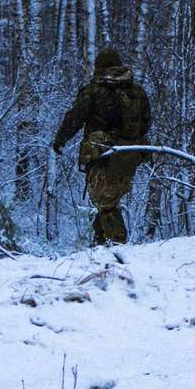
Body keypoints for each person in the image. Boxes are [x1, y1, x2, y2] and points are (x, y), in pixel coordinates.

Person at [52, 48, 152, 246]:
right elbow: (147, 122)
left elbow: (74, 118)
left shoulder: (93, 91)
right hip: (130, 155)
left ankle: (118, 248)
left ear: (99, 67)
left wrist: (60, 140)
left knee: (106, 203)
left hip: (102, 153)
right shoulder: (136, 91)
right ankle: (99, 246)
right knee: (107, 200)